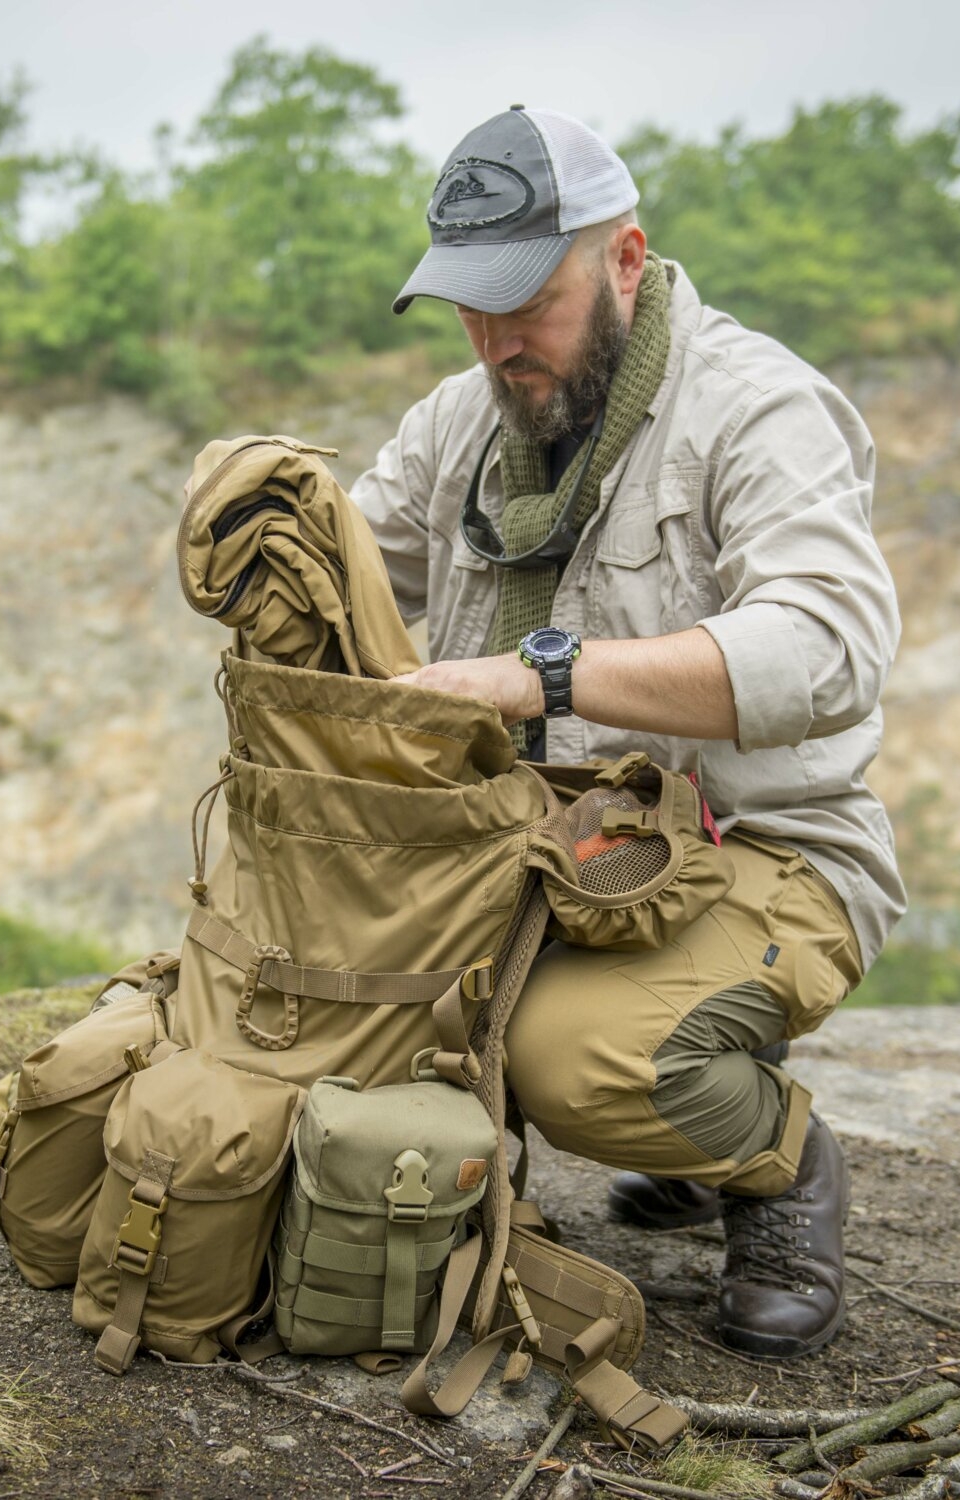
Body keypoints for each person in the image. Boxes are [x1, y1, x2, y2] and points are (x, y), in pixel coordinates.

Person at [350, 105, 904, 1357]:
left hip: (761, 844)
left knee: (573, 1063)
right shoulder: (461, 421)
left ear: (627, 258)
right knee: (333, 989)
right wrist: (249, 516)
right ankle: (691, 1135)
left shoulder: (759, 409)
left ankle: (777, 1161)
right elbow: (346, 562)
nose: (498, 343)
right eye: (468, 308)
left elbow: (833, 649)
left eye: (528, 303)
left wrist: (547, 676)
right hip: (535, 850)